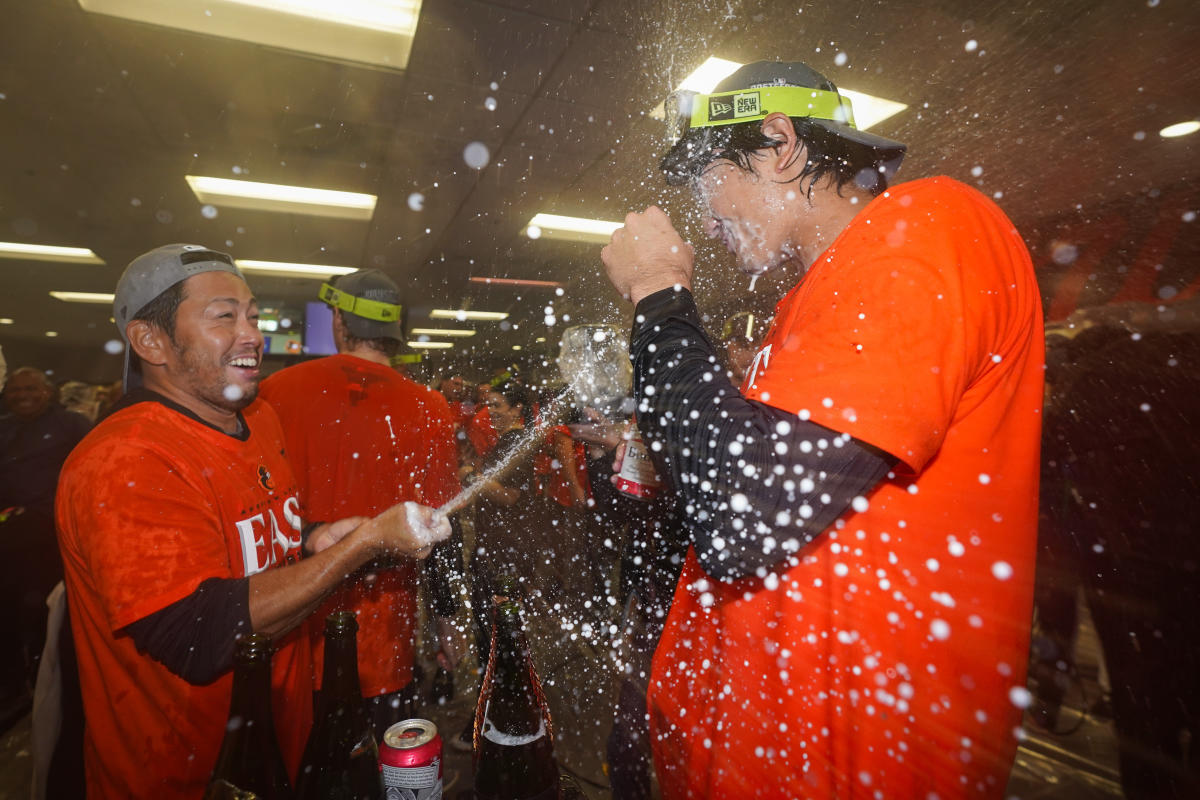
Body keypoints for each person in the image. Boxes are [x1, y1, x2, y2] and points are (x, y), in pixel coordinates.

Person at [600, 61, 1044, 798]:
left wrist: (657, 293)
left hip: (854, 765)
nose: (704, 219)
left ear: (780, 143)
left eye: (708, 177)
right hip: (776, 752)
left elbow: (742, 517)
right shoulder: (807, 306)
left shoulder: (927, 227)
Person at [54, 244, 451, 798]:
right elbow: (199, 636)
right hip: (182, 773)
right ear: (150, 340)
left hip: (279, 744)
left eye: (253, 315)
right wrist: (356, 549)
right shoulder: (127, 458)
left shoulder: (259, 417)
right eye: (223, 316)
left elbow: (252, 528)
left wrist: (313, 537)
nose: (251, 334)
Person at [258, 269, 464, 734]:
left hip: (289, 623)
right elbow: (443, 526)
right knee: (382, 763)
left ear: (338, 319)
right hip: (385, 637)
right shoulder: (429, 406)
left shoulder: (274, 394)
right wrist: (448, 619)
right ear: (395, 332)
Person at [0, 367, 91, 719]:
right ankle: (12, 686)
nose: (21, 394)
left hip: (49, 538)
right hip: (9, 538)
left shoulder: (72, 425)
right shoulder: (4, 427)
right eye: (14, 389)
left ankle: (45, 688)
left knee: (42, 614)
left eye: (29, 388)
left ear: (47, 393)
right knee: (6, 614)